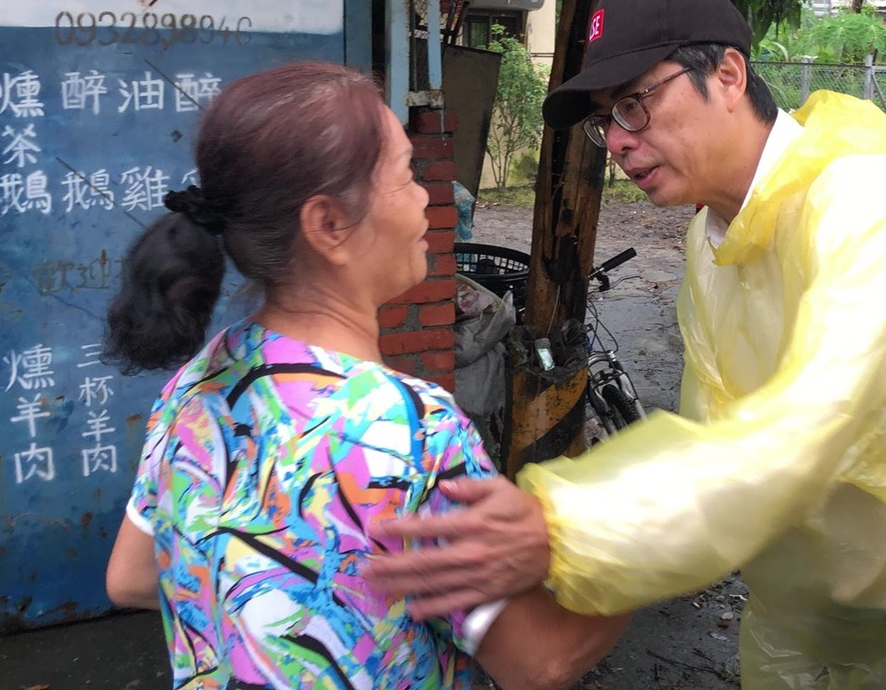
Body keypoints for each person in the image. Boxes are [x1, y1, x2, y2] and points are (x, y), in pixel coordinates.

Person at [364, 0, 886, 689]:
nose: (616, 143)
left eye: (634, 106)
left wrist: (563, 525)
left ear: (728, 73)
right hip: (810, 629)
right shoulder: (711, 238)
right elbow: (715, 435)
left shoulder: (864, 204)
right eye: (603, 121)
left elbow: (802, 429)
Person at [100, 61, 627, 690]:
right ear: (327, 225)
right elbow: (540, 661)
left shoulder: (197, 383)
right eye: (405, 175)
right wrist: (648, 549)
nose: (429, 197)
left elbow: (129, 576)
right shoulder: (411, 430)